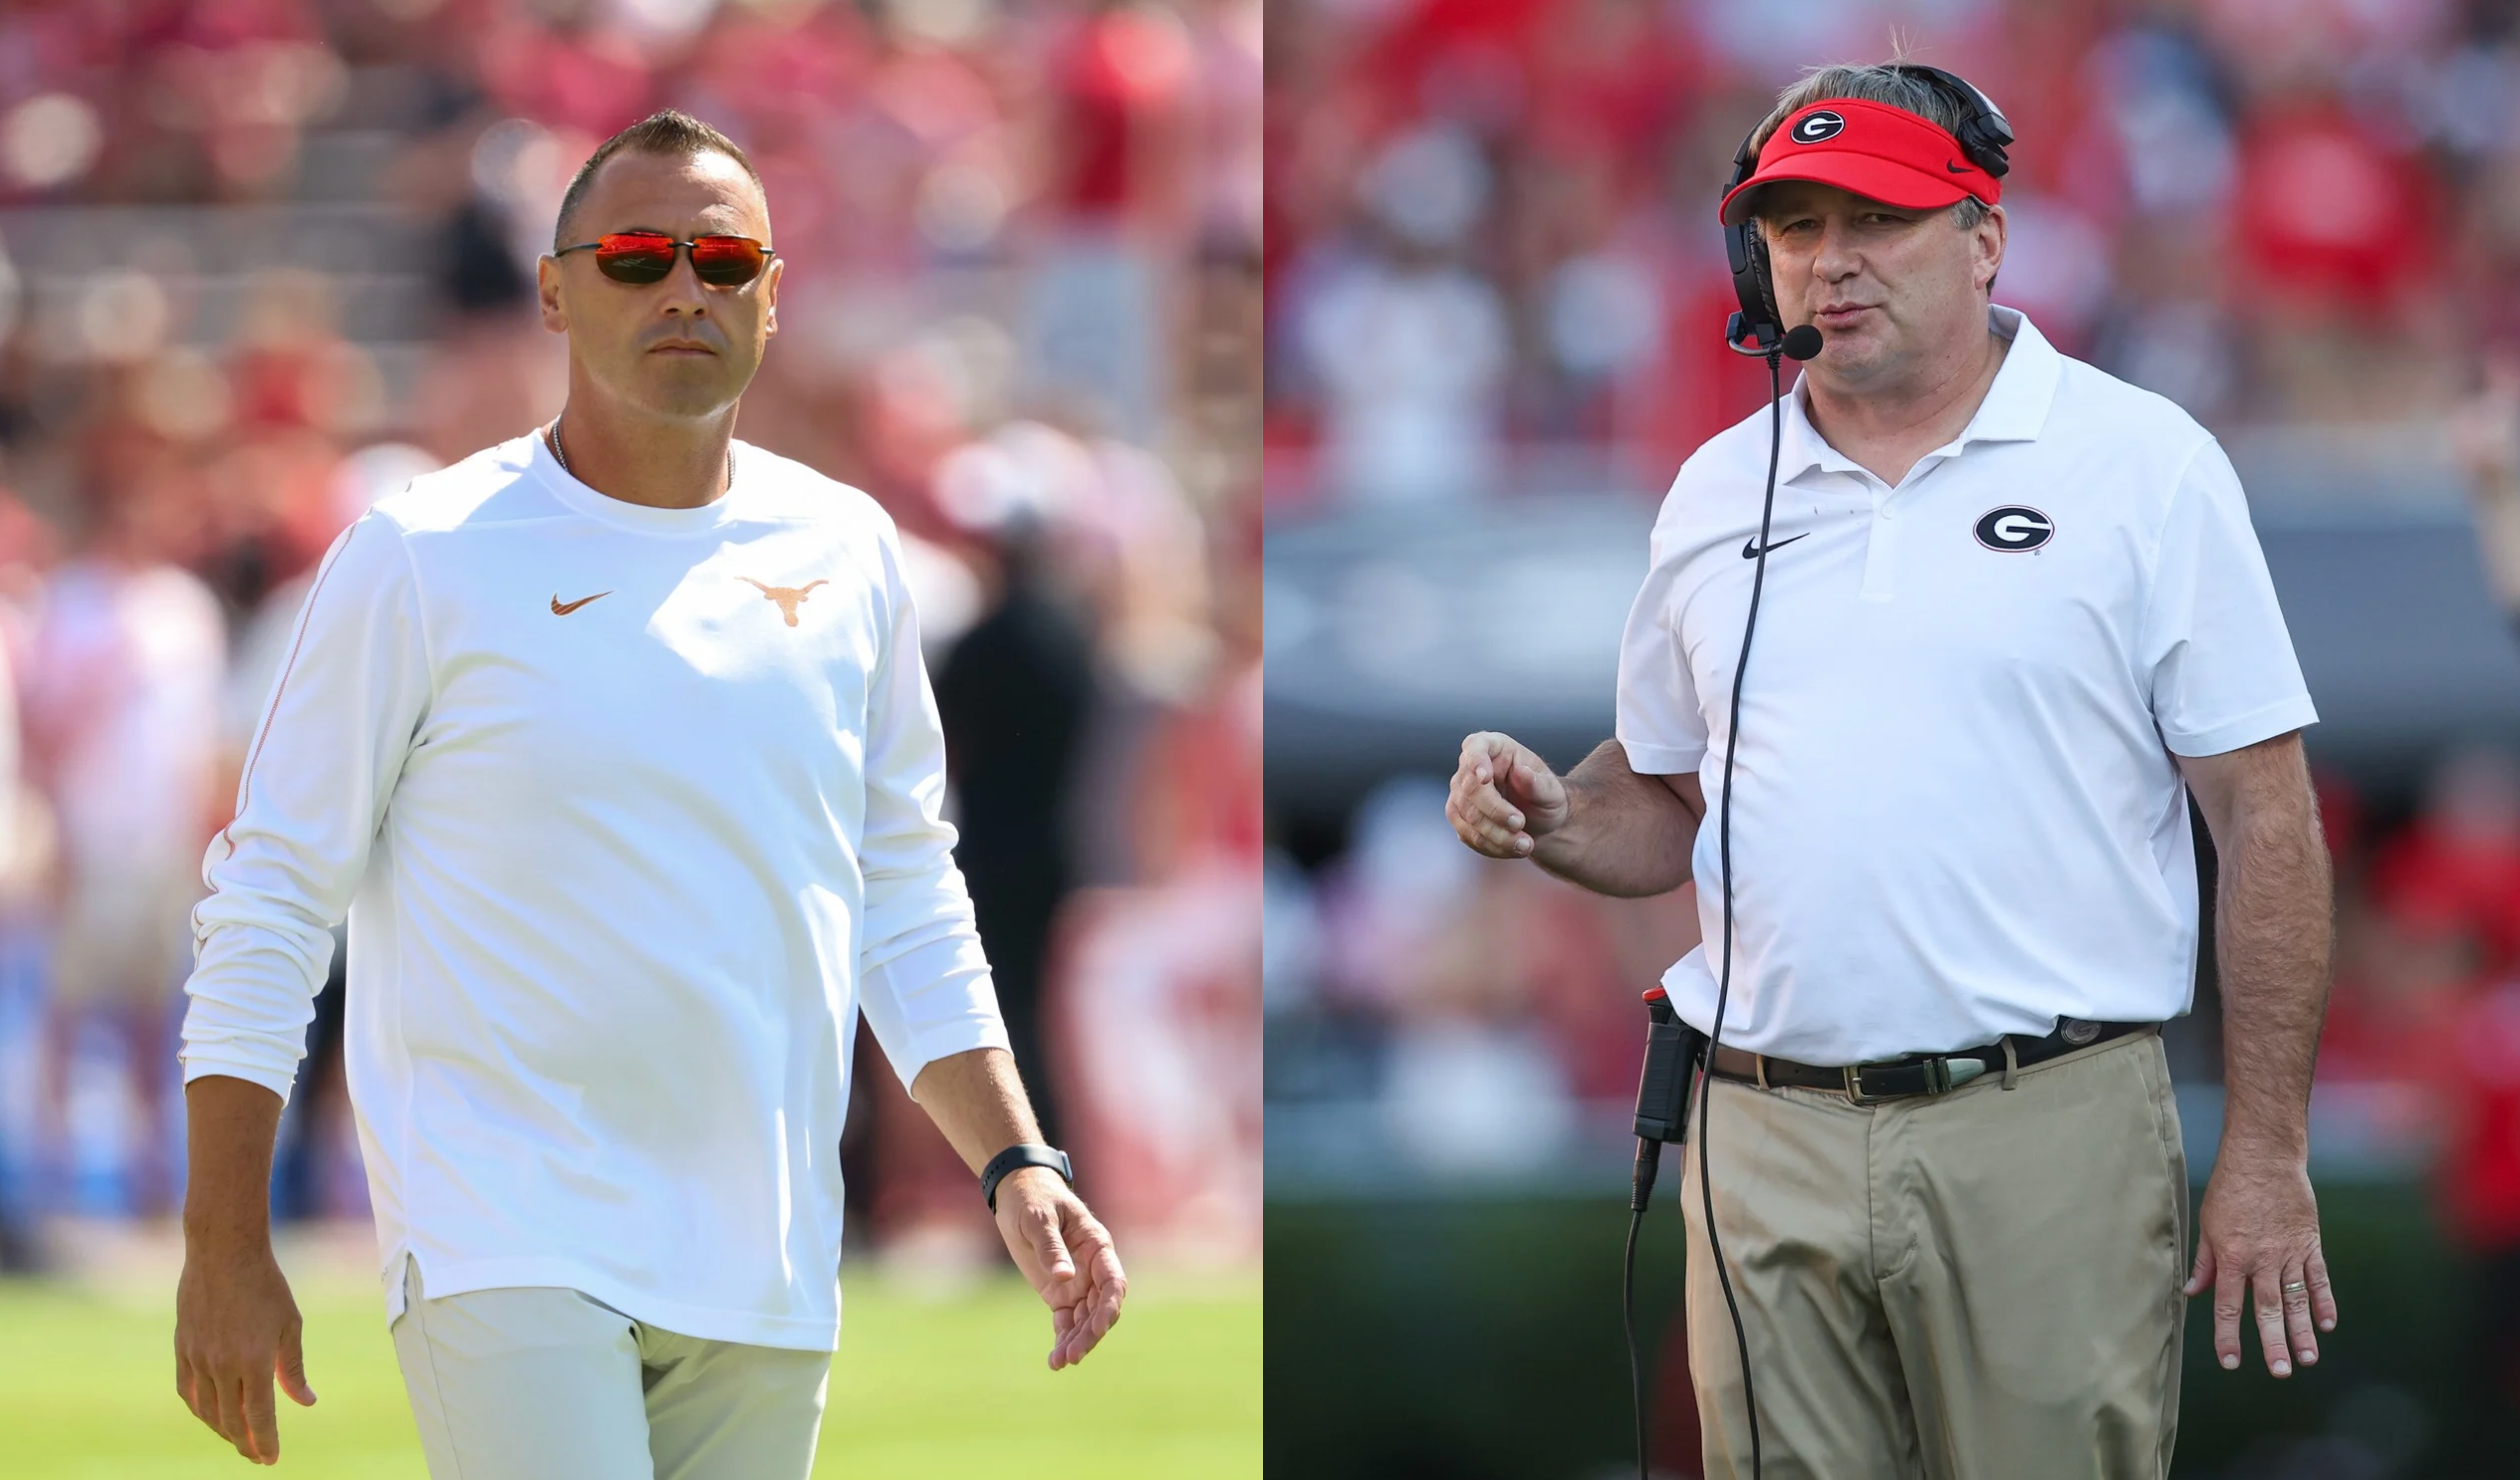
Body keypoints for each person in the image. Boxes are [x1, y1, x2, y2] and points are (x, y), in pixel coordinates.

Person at [171, 111, 1127, 1477]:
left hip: (766, 1252)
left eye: (723, 261)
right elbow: (267, 900)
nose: (684, 288)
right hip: (503, 1229)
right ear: (554, 290)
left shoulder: (849, 549)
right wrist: (223, 1239)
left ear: (772, 296)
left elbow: (903, 892)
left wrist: (1013, 1158)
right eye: (634, 257)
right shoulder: (420, 555)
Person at [1446, 63, 2333, 1478]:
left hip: (2041, 1118)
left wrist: (2267, 1150)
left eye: (1876, 218)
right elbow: (1665, 798)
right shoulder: (1716, 487)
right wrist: (1556, 812)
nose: (1829, 262)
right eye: (1793, 228)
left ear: (1983, 237)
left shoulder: (2140, 463)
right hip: (1760, 1127)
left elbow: (2264, 816)